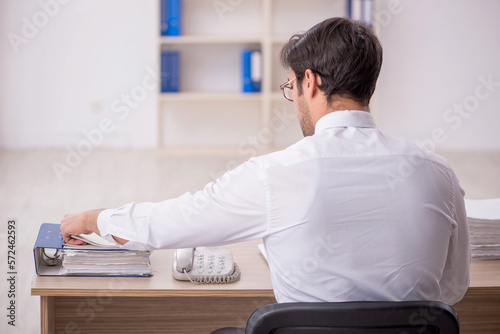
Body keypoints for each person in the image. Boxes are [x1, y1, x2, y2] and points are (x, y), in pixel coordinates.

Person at [61, 18, 470, 308]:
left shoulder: (275, 176)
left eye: (291, 87)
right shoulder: (438, 175)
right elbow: (452, 288)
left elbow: (172, 221)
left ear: (310, 82)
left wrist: (93, 219)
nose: (293, 101)